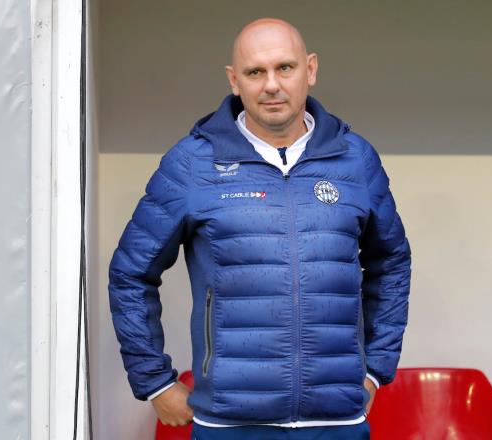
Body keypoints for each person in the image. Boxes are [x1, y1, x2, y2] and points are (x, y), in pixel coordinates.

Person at [108, 17, 412, 440]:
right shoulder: (193, 163)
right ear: (234, 80)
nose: (271, 85)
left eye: (285, 68)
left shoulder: (355, 160)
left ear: (311, 69)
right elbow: (130, 272)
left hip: (336, 423)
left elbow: (392, 262)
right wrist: (154, 381)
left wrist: (376, 369)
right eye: (255, 72)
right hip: (230, 423)